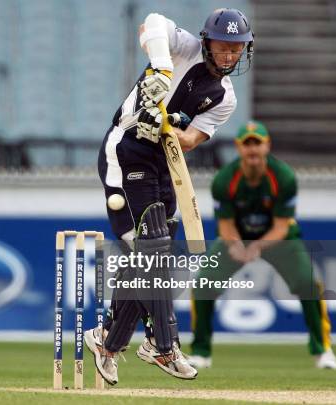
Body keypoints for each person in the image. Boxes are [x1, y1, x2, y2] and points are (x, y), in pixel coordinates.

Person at [85, 8, 254, 384]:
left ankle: (107, 341)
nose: (229, 56)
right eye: (223, 47)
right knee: (151, 248)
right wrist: (161, 69)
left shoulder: (225, 98)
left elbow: (192, 139)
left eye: (237, 49)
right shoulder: (184, 49)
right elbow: (152, 22)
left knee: (151, 252)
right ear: (207, 42)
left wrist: (166, 124)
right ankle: (164, 345)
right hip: (126, 151)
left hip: (166, 163)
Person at [188, 121, 336, 370]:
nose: (252, 150)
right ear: (238, 148)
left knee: (308, 284)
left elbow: (281, 226)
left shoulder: (284, 177)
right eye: (247, 144)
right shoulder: (224, 180)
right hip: (236, 237)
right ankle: (200, 352)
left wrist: (257, 246)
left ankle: (323, 350)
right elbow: (225, 224)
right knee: (204, 284)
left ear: (267, 145)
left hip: (280, 239)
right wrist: (236, 245)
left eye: (257, 143)